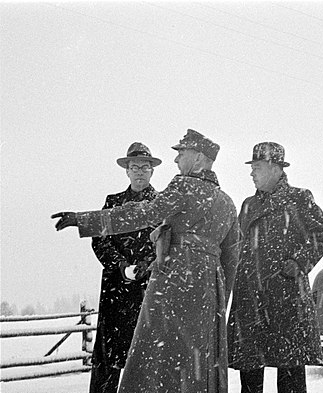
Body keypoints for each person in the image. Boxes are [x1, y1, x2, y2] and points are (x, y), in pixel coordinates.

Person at [52, 129, 239, 393]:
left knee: (155, 359)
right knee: (196, 360)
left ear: (198, 158)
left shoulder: (183, 187)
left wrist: (85, 220)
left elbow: (143, 213)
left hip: (175, 281)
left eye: (181, 153)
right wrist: (220, 303)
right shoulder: (227, 202)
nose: (176, 161)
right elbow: (232, 259)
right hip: (210, 290)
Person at [227, 142, 323, 393]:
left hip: (285, 297)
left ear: (275, 168)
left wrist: (298, 263)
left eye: (257, 167)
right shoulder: (248, 204)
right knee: (250, 368)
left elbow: (322, 234)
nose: (251, 173)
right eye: (252, 167)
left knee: (290, 371)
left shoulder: (299, 198)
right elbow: (238, 245)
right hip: (250, 297)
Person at [88, 142, 161, 393]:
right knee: (108, 361)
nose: (139, 171)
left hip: (148, 293)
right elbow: (100, 240)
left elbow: (167, 242)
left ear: (152, 171)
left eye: (144, 167)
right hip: (115, 294)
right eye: (134, 167)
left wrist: (146, 265)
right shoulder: (113, 203)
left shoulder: (161, 204)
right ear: (126, 171)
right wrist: (121, 266)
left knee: (145, 360)